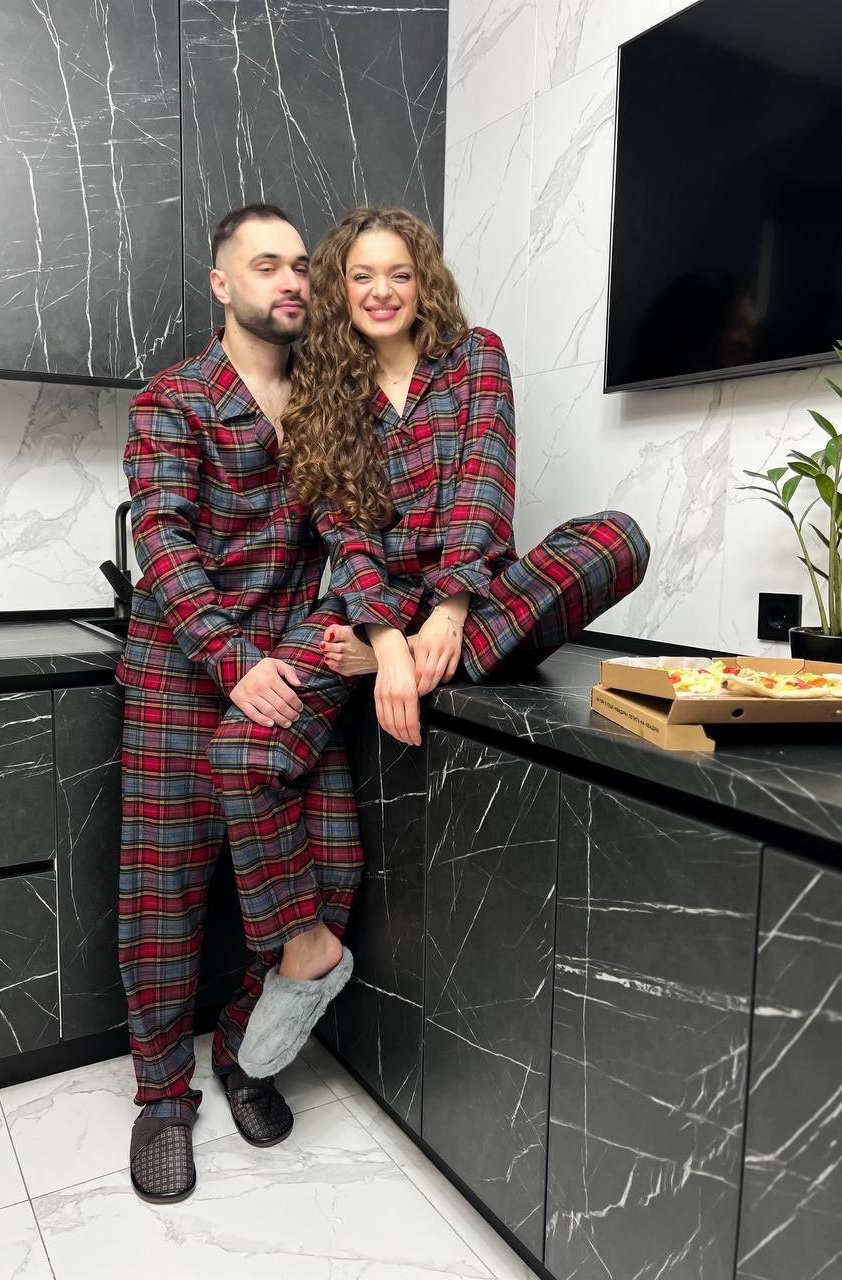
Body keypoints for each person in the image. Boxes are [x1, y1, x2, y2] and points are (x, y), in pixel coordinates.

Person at [206, 207, 648, 1071]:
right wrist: (384, 640)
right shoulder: (323, 389)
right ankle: (306, 950)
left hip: (477, 603)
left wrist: (445, 614)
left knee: (613, 538)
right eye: (362, 276)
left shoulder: (475, 356)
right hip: (370, 609)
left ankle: (436, 651)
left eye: (399, 274)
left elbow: (484, 486)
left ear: (423, 283)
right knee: (243, 751)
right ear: (340, 289)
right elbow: (344, 530)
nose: (382, 291)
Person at [116, 204, 362, 1205]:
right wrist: (230, 657)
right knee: (164, 898)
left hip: (291, 674)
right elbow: (161, 541)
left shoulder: (329, 404)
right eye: (267, 264)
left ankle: (248, 1052)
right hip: (183, 675)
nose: (291, 279)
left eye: (301, 264)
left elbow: (352, 536)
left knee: (330, 871)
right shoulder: (171, 399)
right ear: (222, 284)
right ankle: (161, 1096)